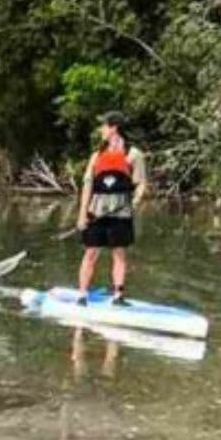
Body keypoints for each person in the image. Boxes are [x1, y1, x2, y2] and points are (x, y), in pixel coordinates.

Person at [75, 112, 147, 305]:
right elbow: (88, 186)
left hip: (121, 213)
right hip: (96, 212)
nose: (101, 130)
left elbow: (140, 184)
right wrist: (82, 215)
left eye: (103, 126)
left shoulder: (134, 154)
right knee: (91, 253)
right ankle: (82, 295)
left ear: (113, 127)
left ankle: (118, 296)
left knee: (119, 253)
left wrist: (134, 202)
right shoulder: (96, 156)